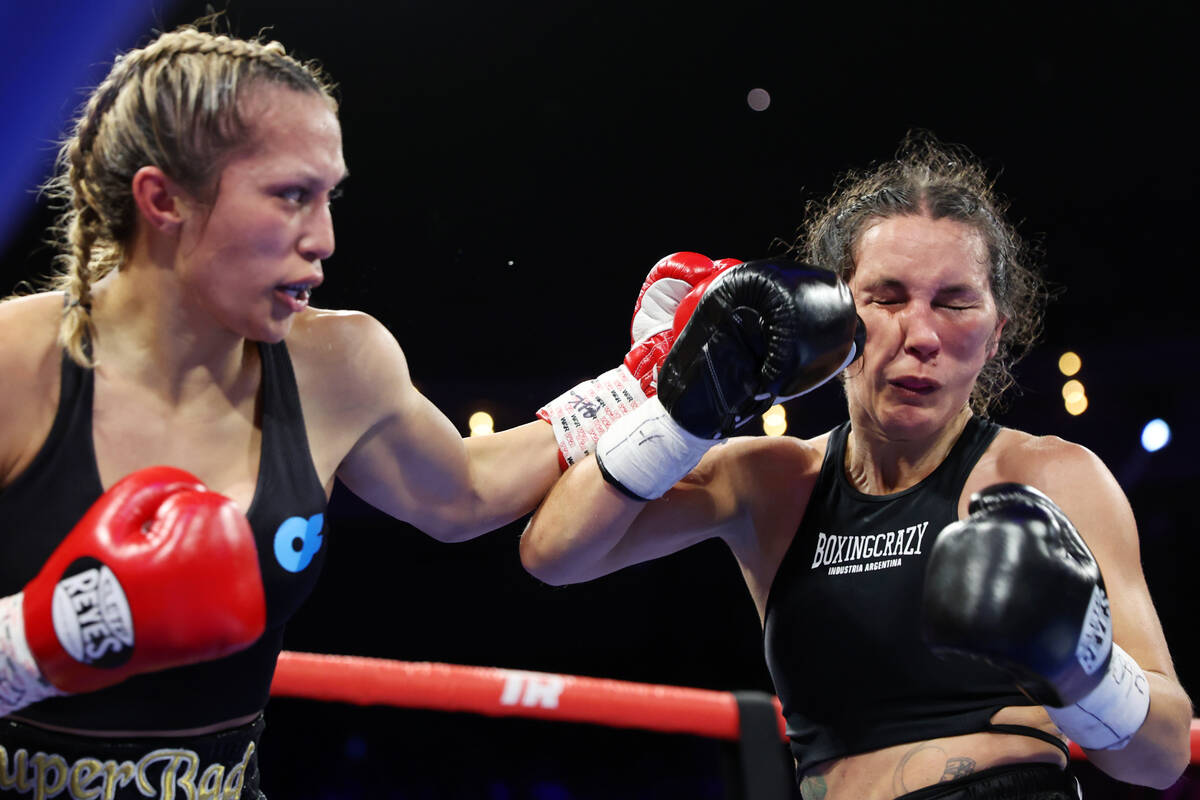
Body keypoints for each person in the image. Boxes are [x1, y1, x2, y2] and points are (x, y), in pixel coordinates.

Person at [0, 20, 713, 799]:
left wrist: (643, 380)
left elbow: (464, 491)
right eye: (291, 196)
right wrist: (35, 644)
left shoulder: (333, 365)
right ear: (163, 198)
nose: (325, 239)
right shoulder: (15, 366)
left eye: (329, 196)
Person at [520, 134, 1193, 799]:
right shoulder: (773, 481)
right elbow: (554, 552)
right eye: (889, 298)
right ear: (836, 316)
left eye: (955, 303)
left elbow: (1162, 757)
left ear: (993, 336)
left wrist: (1081, 670)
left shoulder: (1050, 476)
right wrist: (681, 417)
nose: (922, 336)